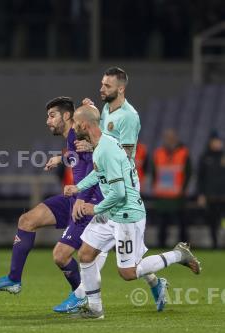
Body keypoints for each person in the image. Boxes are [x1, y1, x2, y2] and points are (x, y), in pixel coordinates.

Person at [65, 105, 201, 319]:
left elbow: (118, 193)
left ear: (84, 124)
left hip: (127, 214)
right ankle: (95, 309)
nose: (72, 127)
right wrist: (78, 187)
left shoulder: (105, 149)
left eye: (74, 123)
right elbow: (99, 174)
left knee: (128, 273)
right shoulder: (103, 143)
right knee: (85, 254)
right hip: (112, 212)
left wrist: (94, 208)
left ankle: (178, 254)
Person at [0, 96, 105, 313]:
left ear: (66, 116)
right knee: (27, 220)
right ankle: (14, 279)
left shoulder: (81, 135)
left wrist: (81, 198)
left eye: (52, 116)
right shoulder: (72, 138)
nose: (47, 121)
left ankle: (81, 295)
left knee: (61, 256)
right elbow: (77, 157)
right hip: (75, 197)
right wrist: (61, 158)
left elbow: (96, 162)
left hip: (89, 200)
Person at [70, 67, 167, 311]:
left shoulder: (129, 116)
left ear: (120, 89)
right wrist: (90, 115)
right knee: (91, 251)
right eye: (102, 84)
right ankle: (88, 301)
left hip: (122, 188)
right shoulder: (105, 108)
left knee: (126, 267)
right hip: (108, 182)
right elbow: (99, 135)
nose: (102, 89)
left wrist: (93, 149)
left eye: (107, 86)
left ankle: (84, 296)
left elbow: (125, 154)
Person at [151, 128, 191, 248]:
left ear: (176, 138)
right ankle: (161, 246)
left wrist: (183, 189)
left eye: (171, 137)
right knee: (162, 225)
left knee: (182, 224)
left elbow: (188, 173)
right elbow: (154, 172)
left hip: (178, 196)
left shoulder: (184, 152)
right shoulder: (158, 153)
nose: (169, 139)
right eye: (167, 137)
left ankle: (184, 247)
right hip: (162, 196)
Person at [197, 131, 225, 249]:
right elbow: (200, 178)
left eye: (219, 141)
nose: (218, 144)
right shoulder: (204, 158)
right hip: (211, 197)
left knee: (223, 221)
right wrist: (201, 194)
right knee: (212, 222)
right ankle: (215, 245)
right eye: (215, 141)